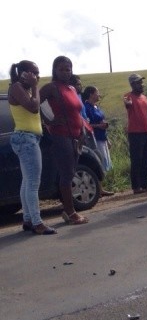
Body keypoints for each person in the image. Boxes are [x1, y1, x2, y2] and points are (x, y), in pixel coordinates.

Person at [8, 60, 57, 234]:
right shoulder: (16, 88)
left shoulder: (23, 89)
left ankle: (28, 219)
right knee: (33, 183)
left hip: (29, 138)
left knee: (27, 182)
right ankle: (37, 222)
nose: (37, 76)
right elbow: (33, 107)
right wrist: (36, 87)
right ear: (23, 73)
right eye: (34, 73)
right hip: (25, 139)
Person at [40, 56, 89, 225]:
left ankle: (68, 210)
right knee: (67, 173)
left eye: (68, 69)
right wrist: (49, 121)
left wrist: (82, 132)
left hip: (76, 136)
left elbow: (77, 113)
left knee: (71, 171)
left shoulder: (71, 88)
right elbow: (34, 104)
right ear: (54, 70)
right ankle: (70, 212)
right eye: (62, 69)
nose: (66, 72)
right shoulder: (51, 88)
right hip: (60, 136)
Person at [124, 74, 147, 194]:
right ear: (133, 84)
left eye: (141, 82)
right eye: (139, 83)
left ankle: (146, 184)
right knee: (136, 159)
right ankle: (136, 186)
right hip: (135, 133)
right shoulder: (128, 96)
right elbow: (127, 104)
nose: (141, 85)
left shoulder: (144, 97)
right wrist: (127, 103)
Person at [82, 86, 112, 173]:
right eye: (97, 92)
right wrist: (99, 126)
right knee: (102, 160)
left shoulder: (96, 107)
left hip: (102, 137)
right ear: (91, 94)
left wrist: (107, 139)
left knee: (107, 160)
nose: (99, 94)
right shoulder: (86, 108)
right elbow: (85, 124)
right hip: (95, 138)